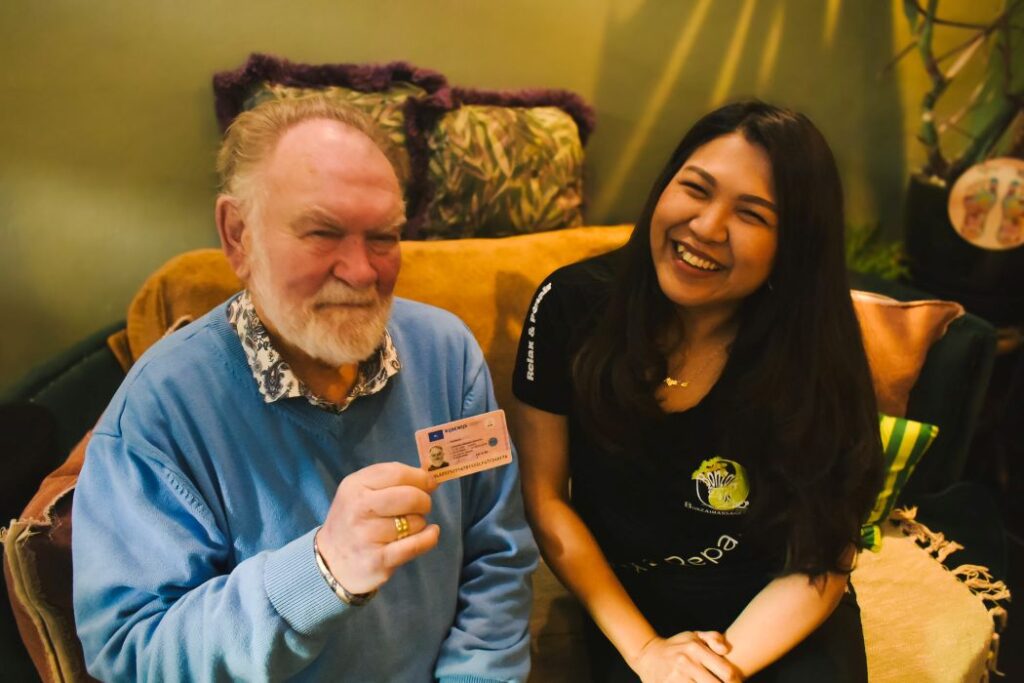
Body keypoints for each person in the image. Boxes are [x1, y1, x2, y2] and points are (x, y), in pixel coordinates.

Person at [72, 94, 538, 682]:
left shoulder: (447, 355)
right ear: (238, 235)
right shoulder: (161, 412)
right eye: (323, 233)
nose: (363, 271)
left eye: (383, 238)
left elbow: (497, 554)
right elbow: (132, 654)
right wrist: (320, 573)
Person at [512, 100, 883, 682]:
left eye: (753, 215)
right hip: (633, 611)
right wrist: (645, 653)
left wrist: (713, 673)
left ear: (795, 245)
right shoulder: (571, 306)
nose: (707, 228)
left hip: (777, 606)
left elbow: (823, 553)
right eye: (696, 189)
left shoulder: (816, 349)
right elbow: (546, 497)